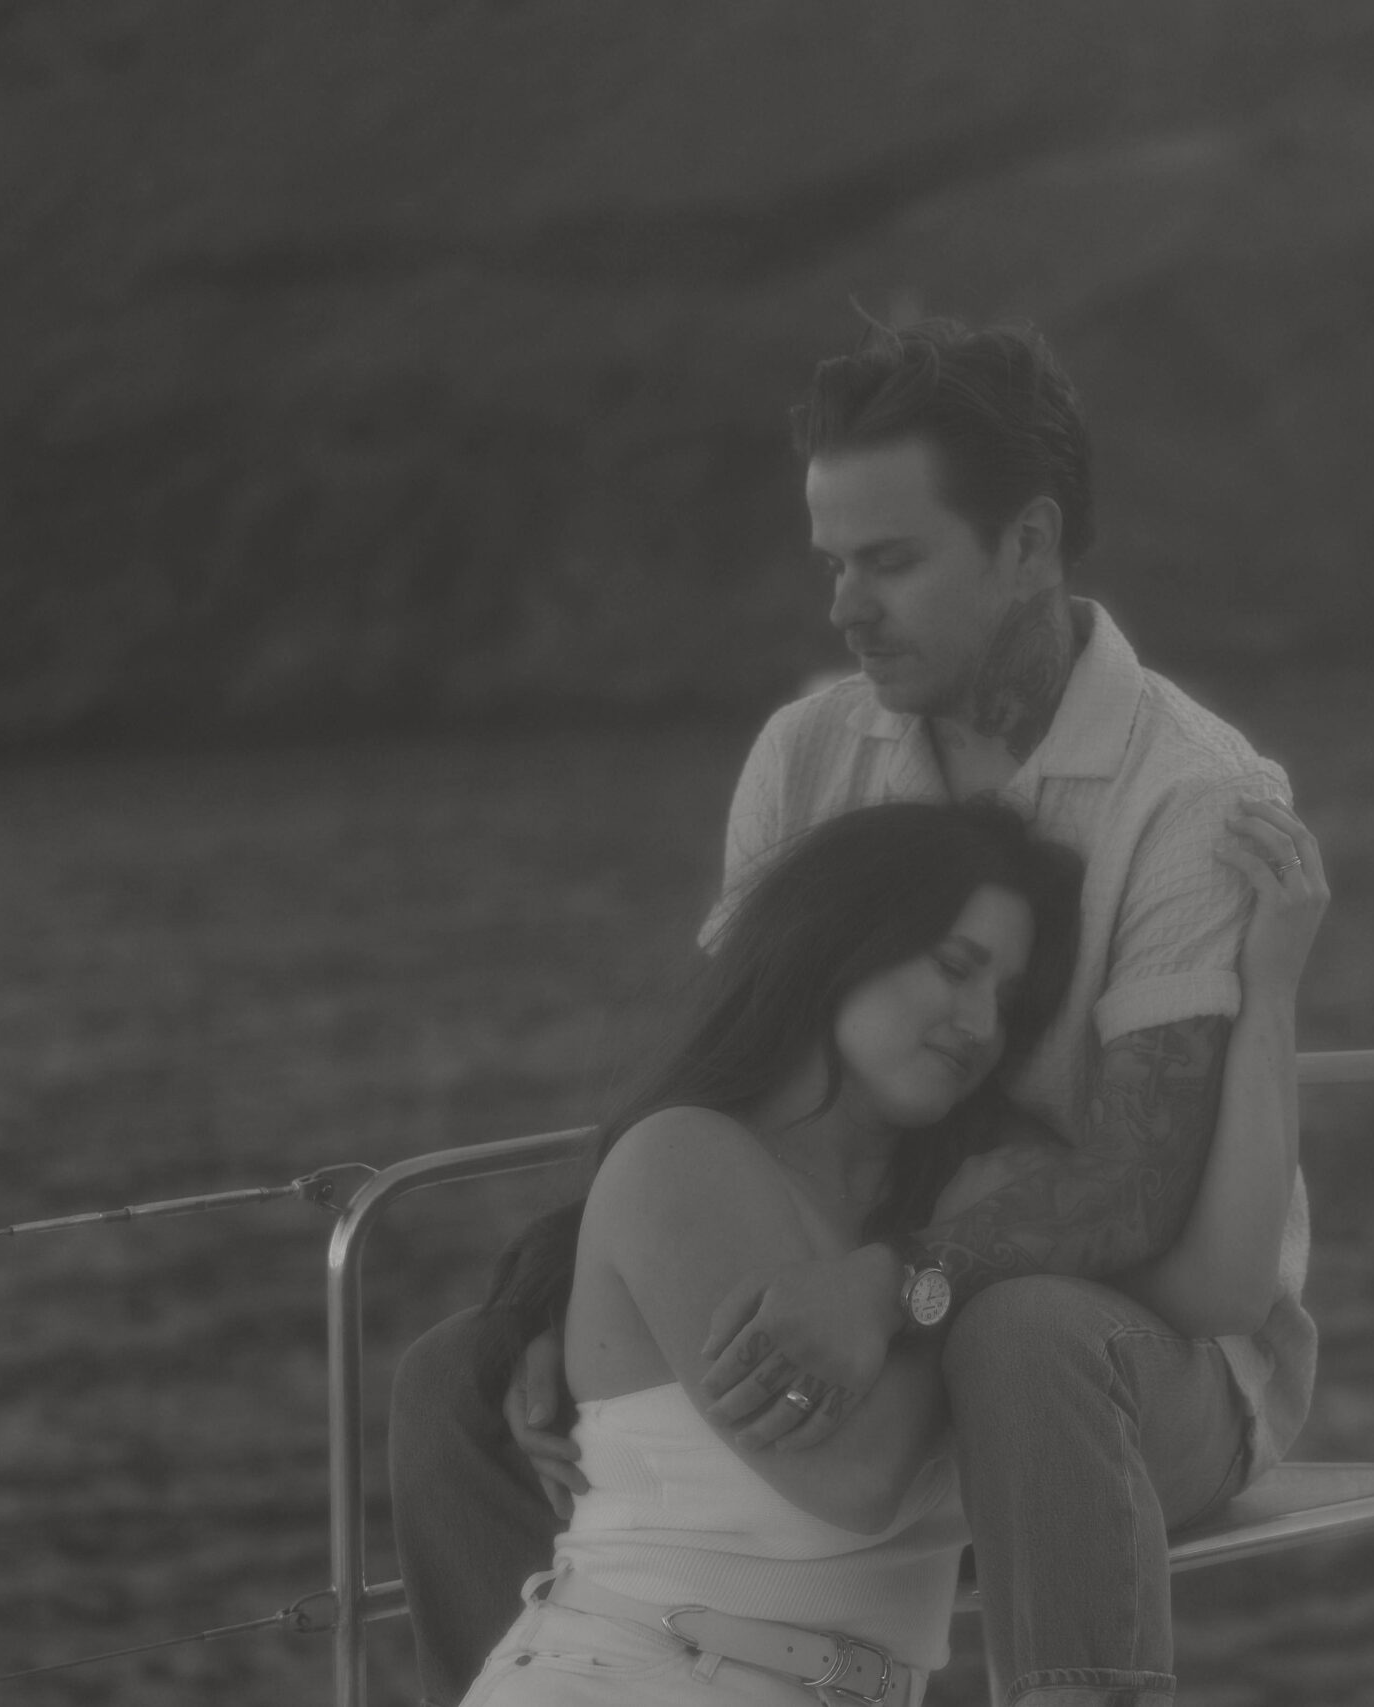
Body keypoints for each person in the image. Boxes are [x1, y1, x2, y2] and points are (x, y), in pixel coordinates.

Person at [392, 317, 1323, 1707]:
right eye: (833, 562)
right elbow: (731, 1067)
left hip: (1143, 1354)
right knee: (454, 1375)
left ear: (1028, 543)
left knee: (1032, 1332)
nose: (843, 606)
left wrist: (890, 1280)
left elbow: (1140, 1193)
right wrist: (557, 1301)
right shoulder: (809, 753)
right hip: (860, 1292)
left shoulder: (1191, 797)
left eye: (890, 561)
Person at [460, 794, 1325, 1705]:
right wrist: (943, 1265)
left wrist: (1268, 995)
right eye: (957, 967)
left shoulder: (957, 1206)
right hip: (630, 1674)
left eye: (1010, 1000)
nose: (983, 1023)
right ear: (843, 944)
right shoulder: (682, 1158)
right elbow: (856, 1475)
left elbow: (1224, 1281)